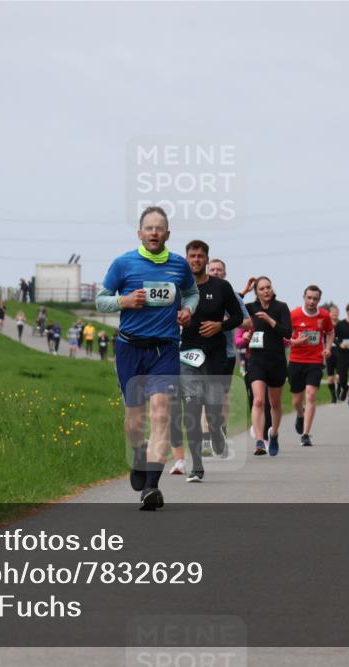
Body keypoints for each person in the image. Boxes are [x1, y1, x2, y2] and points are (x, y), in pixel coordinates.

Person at [95, 205, 198, 511]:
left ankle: (151, 487)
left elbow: (190, 293)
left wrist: (188, 310)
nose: (154, 232)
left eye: (160, 228)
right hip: (130, 349)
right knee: (134, 421)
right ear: (140, 233)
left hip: (164, 349)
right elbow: (100, 299)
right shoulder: (123, 264)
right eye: (149, 228)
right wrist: (122, 301)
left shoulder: (179, 266)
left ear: (167, 234)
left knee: (162, 413)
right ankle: (139, 453)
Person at [175, 240, 244, 482]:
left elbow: (238, 316)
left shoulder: (222, 286)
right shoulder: (179, 287)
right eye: (192, 256)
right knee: (192, 408)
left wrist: (220, 325)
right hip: (188, 355)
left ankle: (216, 432)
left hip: (215, 356)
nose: (196, 260)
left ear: (206, 259)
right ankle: (197, 467)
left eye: (200, 256)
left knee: (213, 409)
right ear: (187, 259)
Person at [243, 277, 292, 456]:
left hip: (276, 360)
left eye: (268, 287)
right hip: (256, 360)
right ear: (256, 292)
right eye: (262, 288)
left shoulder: (281, 307)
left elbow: (288, 332)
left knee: (275, 402)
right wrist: (244, 291)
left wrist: (271, 321)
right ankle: (259, 440)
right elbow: (231, 308)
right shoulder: (250, 308)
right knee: (258, 400)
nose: (266, 291)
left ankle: (274, 434)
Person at [207, 258, 252, 446]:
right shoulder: (194, 293)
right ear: (207, 271)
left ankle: (221, 430)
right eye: (213, 269)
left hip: (226, 353)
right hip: (200, 352)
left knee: (222, 395)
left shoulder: (232, 295)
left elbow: (248, 322)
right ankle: (206, 437)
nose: (216, 272)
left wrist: (228, 321)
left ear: (225, 274)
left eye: (220, 270)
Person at [287, 285, 334, 446]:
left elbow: (330, 332)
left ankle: (306, 434)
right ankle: (300, 415)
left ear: (319, 300)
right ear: (304, 297)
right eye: (309, 298)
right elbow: (285, 336)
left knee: (311, 394)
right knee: (296, 400)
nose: (312, 301)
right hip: (296, 360)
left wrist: (327, 348)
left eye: (315, 298)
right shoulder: (294, 314)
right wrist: (294, 341)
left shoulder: (324, 316)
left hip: (315, 360)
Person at [325, 305, 340, 403]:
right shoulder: (325, 325)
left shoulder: (342, 325)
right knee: (330, 378)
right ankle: (333, 396)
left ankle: (339, 392)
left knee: (340, 376)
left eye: (336, 311)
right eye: (332, 312)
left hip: (340, 354)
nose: (334, 313)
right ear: (329, 313)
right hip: (329, 354)